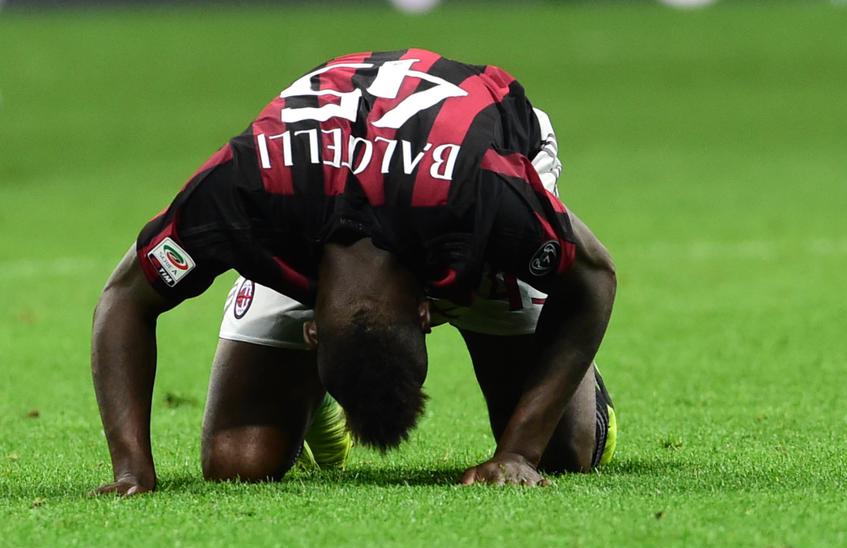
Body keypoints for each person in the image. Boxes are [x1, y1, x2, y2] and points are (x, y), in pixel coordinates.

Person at [91, 49, 617, 495]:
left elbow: (593, 279)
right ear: (311, 332)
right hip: (309, 194)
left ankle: (591, 397)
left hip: (468, 177)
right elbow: (125, 298)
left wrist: (519, 451)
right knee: (237, 464)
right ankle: (307, 395)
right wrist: (131, 470)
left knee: (558, 452)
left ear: (426, 311)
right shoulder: (247, 192)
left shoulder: (487, 198)